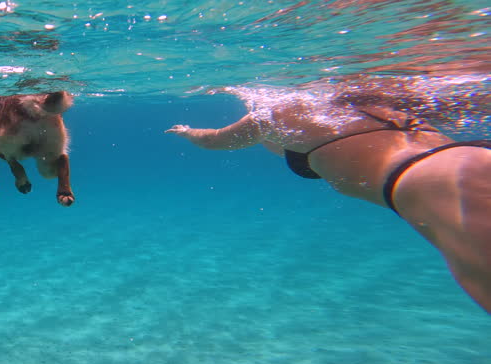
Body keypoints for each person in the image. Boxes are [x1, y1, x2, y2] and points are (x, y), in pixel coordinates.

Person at [165, 77, 491, 313]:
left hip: (436, 184)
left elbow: (214, 140)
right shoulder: (372, 105)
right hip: (465, 162)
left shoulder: (277, 112)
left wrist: (185, 132)